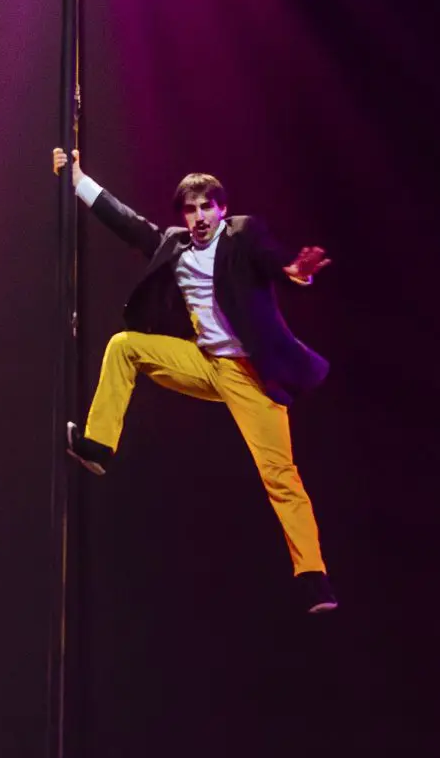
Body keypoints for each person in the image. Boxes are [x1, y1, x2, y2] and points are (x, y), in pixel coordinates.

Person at [52, 147, 338, 613]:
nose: (200, 216)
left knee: (280, 476)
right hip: (204, 363)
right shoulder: (175, 245)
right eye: (191, 209)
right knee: (125, 346)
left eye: (207, 206)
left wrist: (296, 273)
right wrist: (77, 179)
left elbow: (274, 261)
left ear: (222, 208)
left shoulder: (242, 235)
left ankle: (313, 576)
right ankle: (99, 447)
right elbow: (128, 222)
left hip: (250, 375)